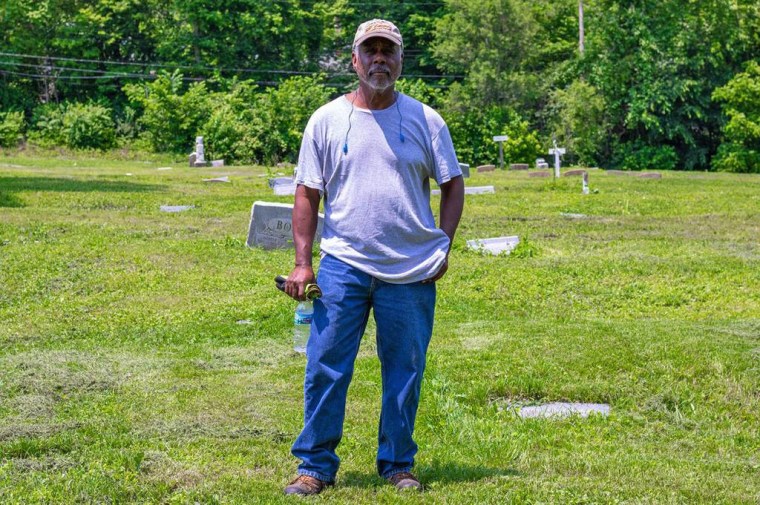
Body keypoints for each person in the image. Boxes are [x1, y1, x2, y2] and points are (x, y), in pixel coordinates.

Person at [282, 18, 465, 496]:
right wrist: (304, 263)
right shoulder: (326, 120)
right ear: (354, 60)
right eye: (371, 51)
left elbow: (452, 184)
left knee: (404, 369)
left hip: (409, 269)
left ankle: (398, 464)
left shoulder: (426, 120)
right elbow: (306, 194)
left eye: (388, 51)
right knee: (325, 365)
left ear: (401, 62)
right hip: (343, 263)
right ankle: (314, 466)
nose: (379, 59)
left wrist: (442, 243)